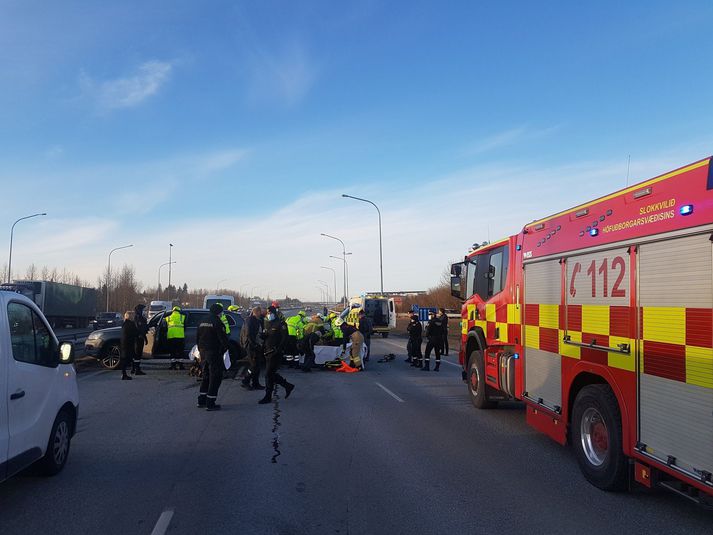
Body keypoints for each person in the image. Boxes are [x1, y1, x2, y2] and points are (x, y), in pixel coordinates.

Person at [196, 303, 231, 410]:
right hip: (213, 352)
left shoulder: (202, 321)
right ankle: (210, 402)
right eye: (221, 312)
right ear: (218, 312)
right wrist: (225, 349)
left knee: (205, 375)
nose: (221, 314)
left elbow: (197, 337)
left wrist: (199, 348)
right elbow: (222, 338)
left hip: (203, 352)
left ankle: (201, 400)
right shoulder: (217, 322)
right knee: (215, 377)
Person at [259, 305, 295, 404]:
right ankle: (287, 386)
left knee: (268, 374)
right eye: (268, 313)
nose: (269, 315)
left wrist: (279, 349)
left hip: (275, 352)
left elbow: (285, 338)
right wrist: (263, 336)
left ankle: (268, 396)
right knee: (271, 374)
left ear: (275, 313)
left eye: (270, 313)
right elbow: (267, 335)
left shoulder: (281, 323)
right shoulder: (267, 323)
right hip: (267, 351)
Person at [240, 306, 265, 390]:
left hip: (256, 345)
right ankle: (245, 381)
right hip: (251, 346)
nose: (261, 313)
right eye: (260, 311)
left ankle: (255, 383)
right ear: (257, 312)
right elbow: (249, 334)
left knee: (257, 366)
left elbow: (257, 333)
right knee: (253, 365)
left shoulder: (257, 320)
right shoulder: (250, 320)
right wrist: (254, 345)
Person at [165, 306, 186, 370]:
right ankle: (181, 365)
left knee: (172, 351)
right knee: (180, 351)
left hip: (171, 336)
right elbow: (185, 326)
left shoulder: (168, 318)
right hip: (180, 336)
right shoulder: (182, 317)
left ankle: (173, 365)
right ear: (179, 311)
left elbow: (165, 327)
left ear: (173, 311)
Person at [120, 311, 138, 380]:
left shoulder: (124, 324)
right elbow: (135, 333)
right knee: (127, 358)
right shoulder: (131, 324)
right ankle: (124, 374)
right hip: (129, 343)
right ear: (130, 316)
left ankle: (126, 372)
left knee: (125, 358)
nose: (134, 317)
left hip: (124, 343)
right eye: (133, 316)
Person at [132, 304, 148, 376]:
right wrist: (142, 335)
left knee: (137, 354)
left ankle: (134, 369)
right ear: (139, 310)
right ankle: (136, 369)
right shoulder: (138, 318)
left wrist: (145, 338)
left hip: (140, 338)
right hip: (138, 339)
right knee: (137, 354)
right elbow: (140, 328)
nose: (144, 311)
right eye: (143, 310)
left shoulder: (141, 318)